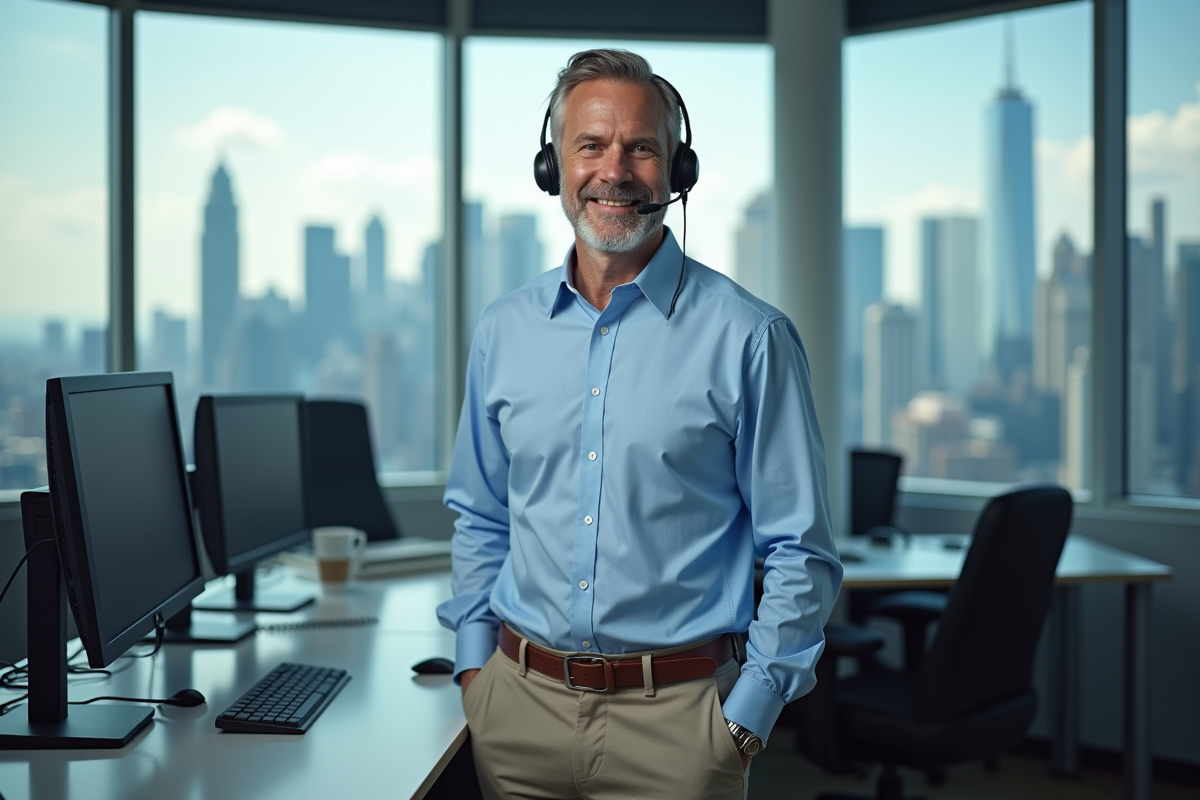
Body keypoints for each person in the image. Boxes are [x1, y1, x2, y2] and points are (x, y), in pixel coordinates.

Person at [436, 48, 842, 800]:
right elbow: (482, 515)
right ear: (553, 166)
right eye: (590, 145)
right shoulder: (502, 331)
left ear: (677, 170)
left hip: (681, 730)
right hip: (517, 712)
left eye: (642, 149)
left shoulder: (750, 338)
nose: (614, 171)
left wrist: (744, 719)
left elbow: (800, 550)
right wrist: (473, 670)